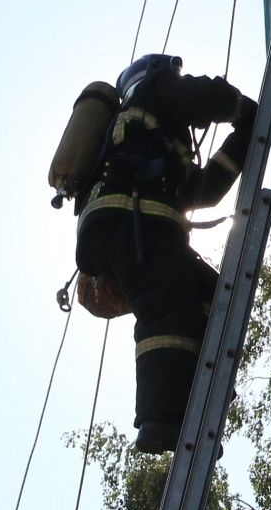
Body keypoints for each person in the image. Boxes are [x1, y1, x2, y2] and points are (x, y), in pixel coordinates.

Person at [73, 54, 256, 453]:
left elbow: (205, 191)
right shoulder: (152, 95)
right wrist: (241, 109)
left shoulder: (150, 146)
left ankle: (197, 397)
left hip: (118, 228)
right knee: (164, 305)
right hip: (133, 222)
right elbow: (203, 94)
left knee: (211, 292)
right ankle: (160, 420)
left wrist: (245, 138)